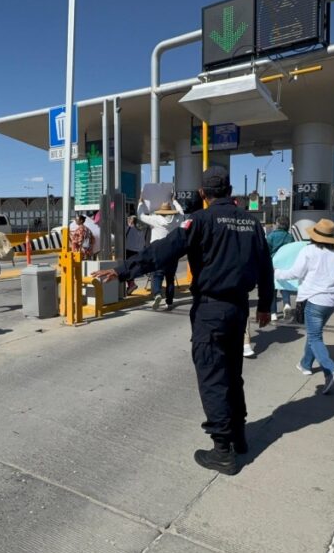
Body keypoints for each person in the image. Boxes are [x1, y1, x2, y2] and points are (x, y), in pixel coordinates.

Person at [93, 166, 274, 476]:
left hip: (211, 311)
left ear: (203, 193)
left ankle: (222, 451)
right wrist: (266, 305)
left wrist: (123, 271)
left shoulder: (201, 221)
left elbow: (162, 251)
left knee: (213, 377)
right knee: (233, 373)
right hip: (239, 309)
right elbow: (265, 265)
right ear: (230, 190)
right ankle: (239, 436)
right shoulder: (252, 222)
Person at [275, 218, 334, 394]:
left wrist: (277, 273)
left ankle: (330, 370)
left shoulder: (308, 251)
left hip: (313, 300)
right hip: (331, 302)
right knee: (314, 333)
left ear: (314, 236)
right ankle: (305, 364)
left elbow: (296, 273)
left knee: (315, 336)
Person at [136, 199, 184, 310]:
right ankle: (170, 301)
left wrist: (141, 203)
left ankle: (157, 293)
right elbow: (181, 212)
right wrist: (175, 201)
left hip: (158, 252)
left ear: (160, 212)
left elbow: (140, 215)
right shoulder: (177, 220)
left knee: (157, 275)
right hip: (173, 252)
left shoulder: (155, 219)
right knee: (170, 278)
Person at [265, 216, 295, 320]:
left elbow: (266, 251)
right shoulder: (289, 237)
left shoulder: (271, 236)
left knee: (272, 290)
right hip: (285, 265)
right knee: (284, 286)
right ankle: (287, 304)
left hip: (273, 265)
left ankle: (273, 313)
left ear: (277, 224)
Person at [123, 215, 145, 296]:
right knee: (131, 268)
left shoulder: (128, 228)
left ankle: (131, 284)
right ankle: (131, 284)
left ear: (131, 221)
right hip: (138, 252)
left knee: (126, 268)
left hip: (129, 250)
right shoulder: (141, 230)